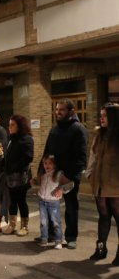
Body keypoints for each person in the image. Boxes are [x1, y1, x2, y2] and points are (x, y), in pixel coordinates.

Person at [41, 99, 88, 249]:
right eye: (57, 109)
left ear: (71, 111)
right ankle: (50, 234)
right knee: (49, 204)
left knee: (71, 206)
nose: (58, 112)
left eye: (61, 109)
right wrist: (41, 172)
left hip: (69, 176)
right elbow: (47, 152)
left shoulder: (78, 129)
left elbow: (81, 157)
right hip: (53, 175)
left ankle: (71, 236)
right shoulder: (54, 129)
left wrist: (71, 175)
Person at [86, 103, 119, 264]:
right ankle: (101, 249)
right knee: (103, 216)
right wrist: (89, 174)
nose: (101, 118)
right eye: (101, 115)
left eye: (105, 115)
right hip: (99, 183)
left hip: (115, 185)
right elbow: (93, 155)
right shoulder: (99, 134)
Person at [31, 155, 74, 250]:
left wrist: (61, 190)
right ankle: (44, 239)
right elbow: (37, 183)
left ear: (55, 164)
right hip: (42, 202)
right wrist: (34, 183)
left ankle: (58, 240)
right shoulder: (42, 174)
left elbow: (70, 184)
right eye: (45, 163)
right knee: (43, 222)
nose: (47, 165)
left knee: (55, 222)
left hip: (53, 203)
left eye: (50, 163)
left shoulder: (58, 174)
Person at [2, 115, 34, 236]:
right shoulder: (12, 139)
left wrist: (14, 168)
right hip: (10, 175)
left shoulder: (26, 139)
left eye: (12, 125)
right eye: (9, 125)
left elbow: (28, 158)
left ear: (20, 126)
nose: (9, 127)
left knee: (21, 200)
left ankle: (24, 226)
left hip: (21, 176)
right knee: (12, 201)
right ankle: (12, 225)